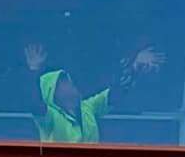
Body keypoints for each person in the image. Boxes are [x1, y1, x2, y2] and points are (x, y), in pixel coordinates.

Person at [24, 39, 165, 144]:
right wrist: (34, 70)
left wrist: (134, 67)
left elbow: (116, 93)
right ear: (53, 92)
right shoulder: (50, 117)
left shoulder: (88, 107)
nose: (70, 83)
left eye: (68, 79)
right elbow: (34, 104)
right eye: (63, 82)